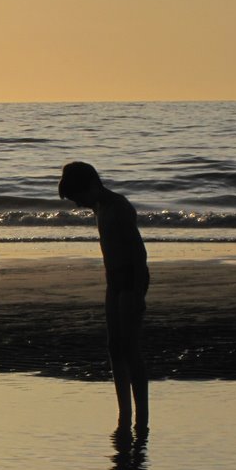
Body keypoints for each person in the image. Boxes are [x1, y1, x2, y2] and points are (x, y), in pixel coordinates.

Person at [58, 162, 149, 433]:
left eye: (79, 198)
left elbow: (138, 254)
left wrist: (137, 292)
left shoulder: (119, 208)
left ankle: (141, 415)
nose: (78, 205)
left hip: (131, 281)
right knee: (114, 347)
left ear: (93, 186)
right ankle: (124, 411)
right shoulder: (99, 207)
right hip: (113, 283)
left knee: (130, 348)